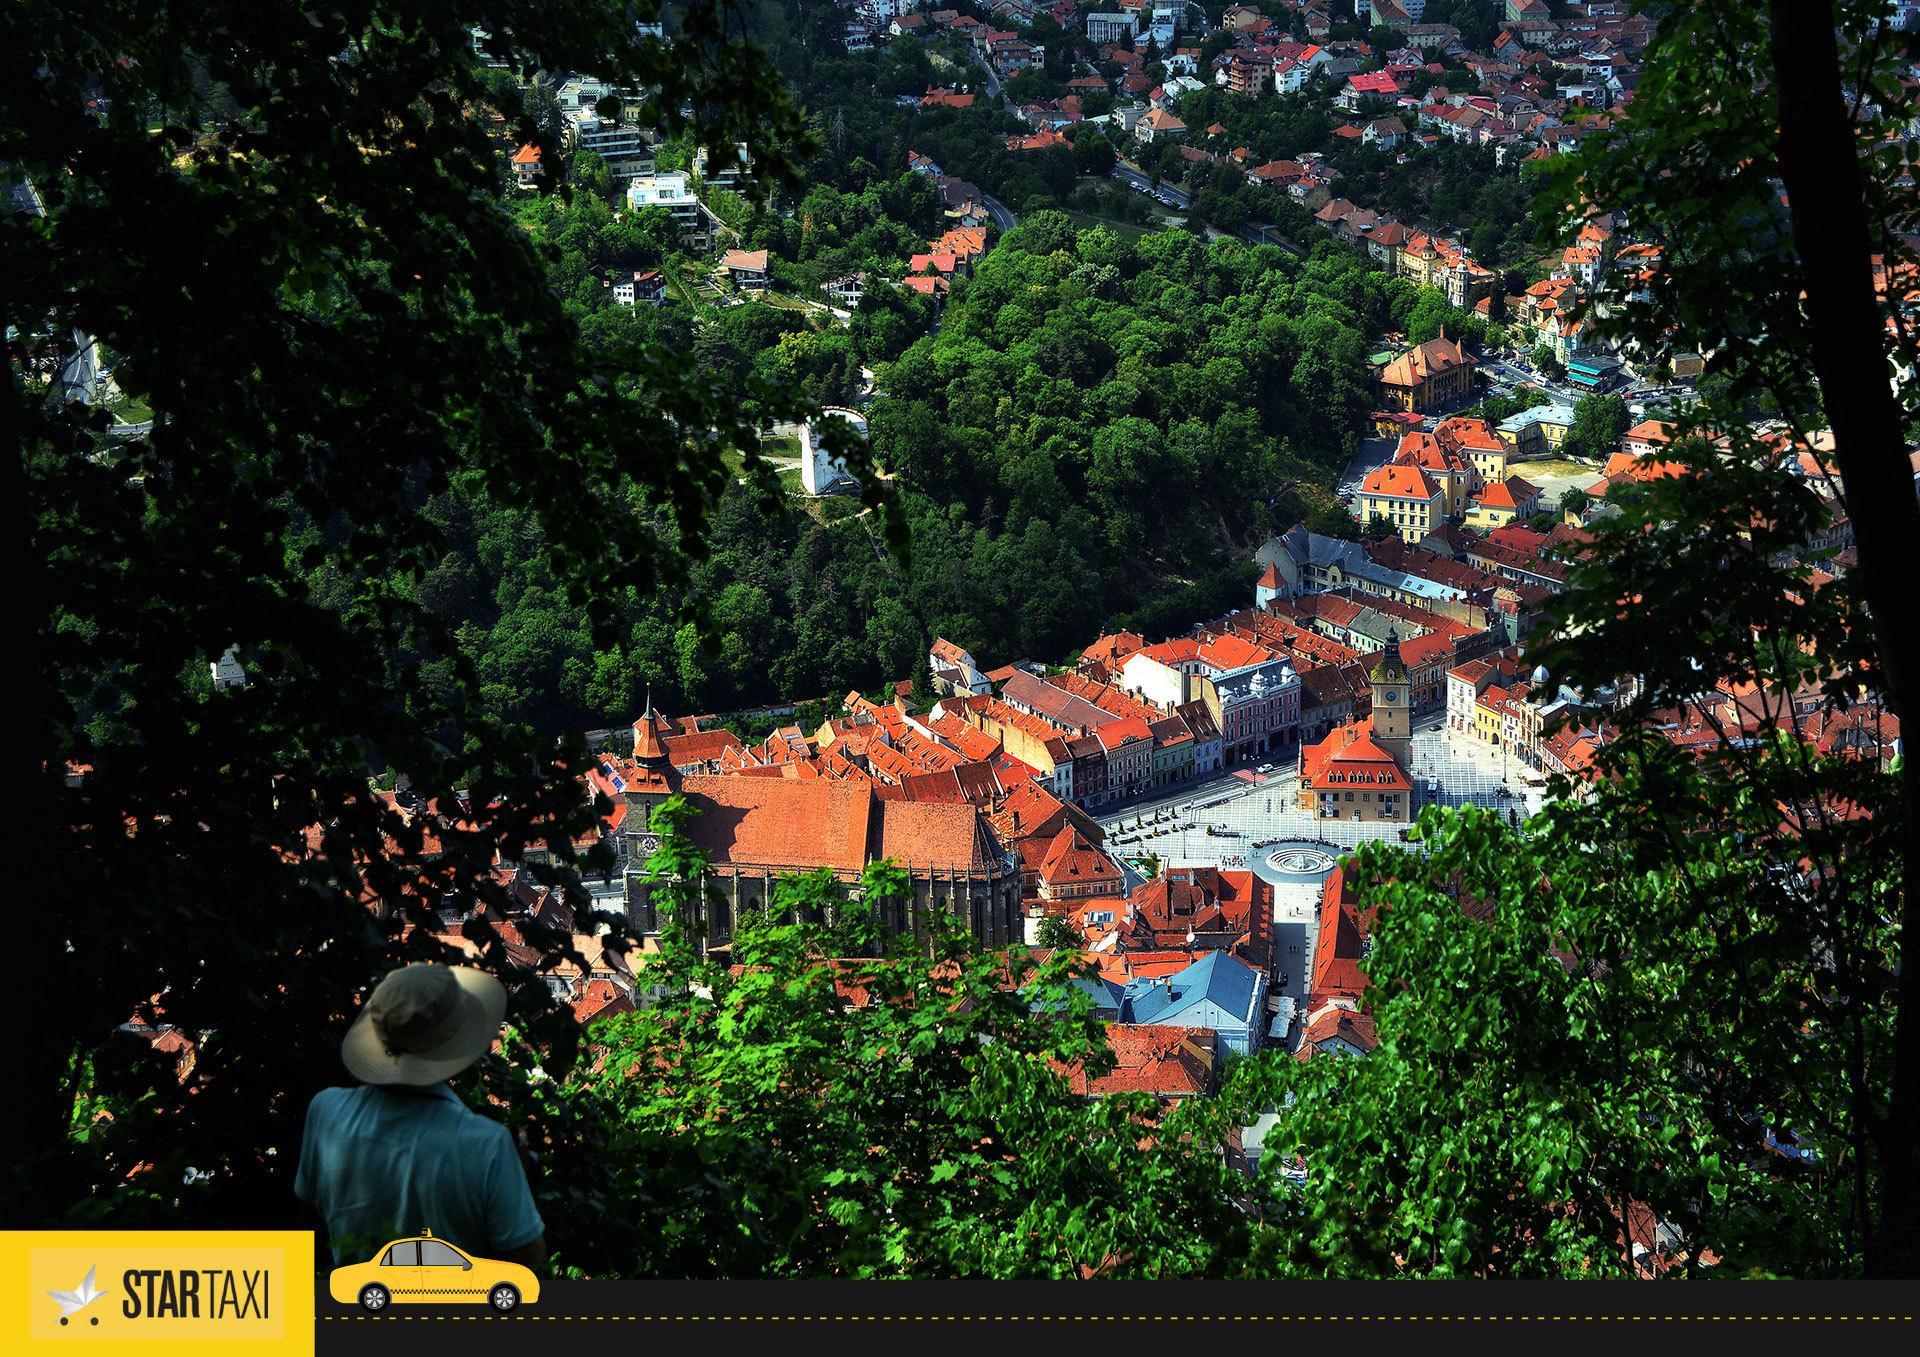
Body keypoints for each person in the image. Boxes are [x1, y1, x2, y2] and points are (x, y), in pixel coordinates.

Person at [295, 962, 546, 1268]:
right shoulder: (487, 1145)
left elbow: (310, 1211)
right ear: (455, 1045)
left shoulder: (325, 1113)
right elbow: (529, 1262)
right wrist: (516, 1178)